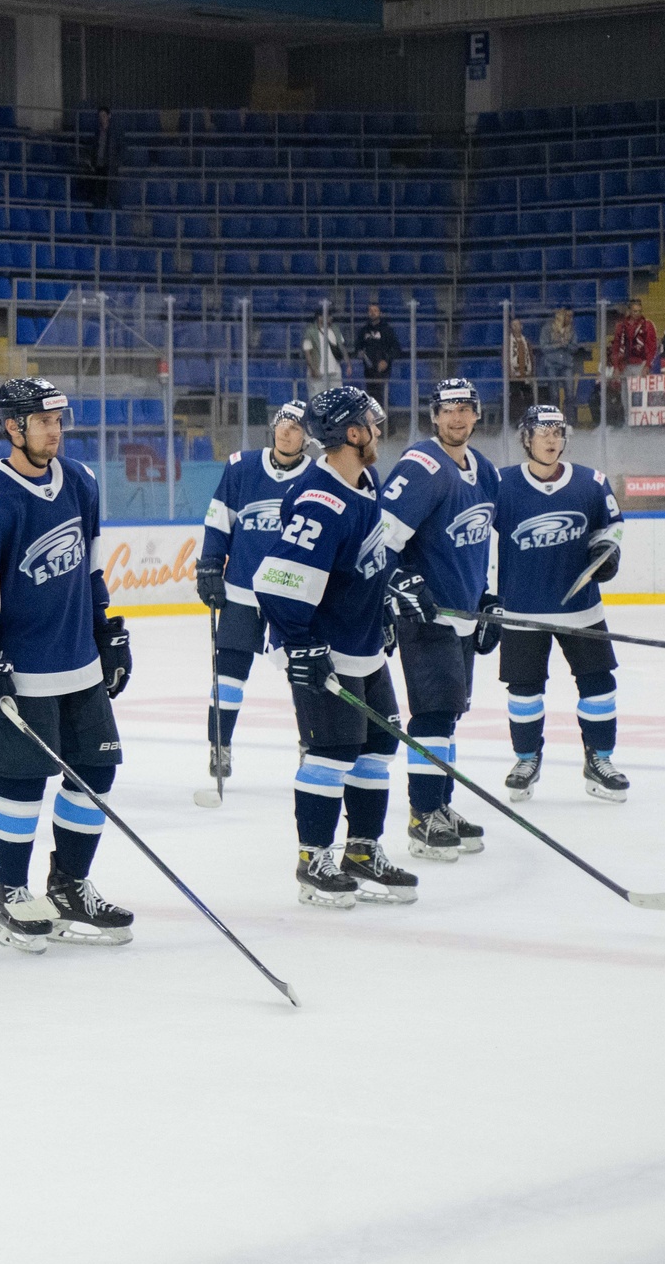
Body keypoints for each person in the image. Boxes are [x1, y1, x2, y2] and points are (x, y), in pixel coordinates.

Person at [0, 377, 135, 951]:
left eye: (58, 420)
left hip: (80, 663)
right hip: (21, 671)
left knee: (96, 771)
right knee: (21, 783)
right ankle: (11, 891)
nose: (55, 431)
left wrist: (105, 629)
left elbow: (90, 566)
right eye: (44, 421)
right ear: (13, 427)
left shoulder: (80, 481)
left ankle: (70, 886)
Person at [249, 384, 415, 906]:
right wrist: (300, 645)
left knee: (378, 746)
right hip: (323, 645)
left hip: (362, 641)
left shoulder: (366, 480)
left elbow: (364, 558)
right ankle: (313, 858)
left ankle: (362, 851)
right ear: (352, 432)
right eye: (371, 422)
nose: (379, 429)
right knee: (332, 751)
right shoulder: (320, 501)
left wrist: (387, 599)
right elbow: (275, 581)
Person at [375, 376, 501, 862]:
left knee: (448, 713)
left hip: (462, 614)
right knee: (432, 713)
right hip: (424, 614)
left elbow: (481, 542)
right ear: (434, 416)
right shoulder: (422, 466)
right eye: (448, 409)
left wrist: (488, 598)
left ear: (477, 413)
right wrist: (399, 582)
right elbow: (380, 539)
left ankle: (441, 804)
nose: (457, 417)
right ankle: (423, 814)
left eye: (465, 408)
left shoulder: (484, 471)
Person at [485, 402, 628, 804]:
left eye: (557, 432)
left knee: (598, 684)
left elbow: (611, 527)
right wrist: (480, 593)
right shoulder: (500, 484)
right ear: (526, 438)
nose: (551, 440)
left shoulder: (591, 482)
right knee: (524, 690)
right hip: (521, 610)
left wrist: (606, 552)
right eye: (542, 432)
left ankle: (600, 759)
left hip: (582, 609)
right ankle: (526, 759)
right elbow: (475, 536)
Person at [194, 400, 310, 786]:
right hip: (242, 589)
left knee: (304, 673)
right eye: (283, 424)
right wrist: (210, 565)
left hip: (292, 595)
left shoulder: (317, 477)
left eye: (296, 427)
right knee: (229, 673)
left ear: (307, 437)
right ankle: (219, 744)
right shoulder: (241, 466)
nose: (286, 432)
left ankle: (311, 744)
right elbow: (219, 519)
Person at [605, 301, 657, 424]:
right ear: (629, 311)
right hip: (625, 364)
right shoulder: (621, 326)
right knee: (625, 394)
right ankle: (628, 421)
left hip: (640, 363)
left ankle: (641, 421)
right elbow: (616, 347)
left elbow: (652, 347)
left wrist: (647, 365)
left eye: (639, 311)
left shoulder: (647, 325)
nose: (637, 313)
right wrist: (616, 367)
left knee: (640, 393)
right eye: (635, 311)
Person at [357, 303, 403, 399]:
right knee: (371, 395)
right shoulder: (364, 330)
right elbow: (358, 346)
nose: (372, 313)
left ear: (380, 313)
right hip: (368, 369)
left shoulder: (387, 330)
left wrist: (386, 360)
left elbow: (396, 348)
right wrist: (360, 353)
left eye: (375, 310)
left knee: (381, 395)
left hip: (383, 369)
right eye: (370, 311)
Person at [302, 304, 345, 389]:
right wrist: (312, 369)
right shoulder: (310, 332)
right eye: (328, 316)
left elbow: (342, 347)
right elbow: (307, 353)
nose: (331, 318)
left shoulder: (335, 330)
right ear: (320, 317)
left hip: (334, 373)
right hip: (318, 373)